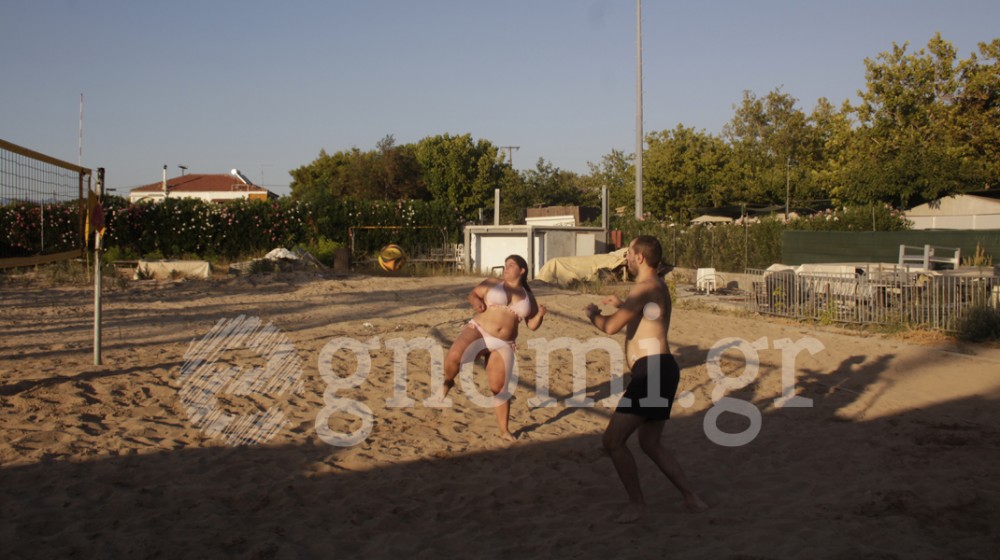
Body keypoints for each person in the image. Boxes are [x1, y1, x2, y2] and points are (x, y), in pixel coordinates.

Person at [583, 235, 708, 523]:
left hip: (652, 372)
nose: (625, 258)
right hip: (660, 370)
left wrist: (593, 314)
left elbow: (611, 327)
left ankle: (637, 505)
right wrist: (622, 303)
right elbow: (647, 316)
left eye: (628, 253)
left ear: (639, 257)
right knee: (651, 443)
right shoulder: (657, 285)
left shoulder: (645, 287)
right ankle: (692, 498)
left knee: (612, 441)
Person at [436, 255, 546, 442]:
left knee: (499, 387)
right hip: (479, 330)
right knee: (455, 356)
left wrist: (541, 314)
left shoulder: (528, 296)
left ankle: (504, 431)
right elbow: (473, 294)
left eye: (511, 265)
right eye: (505, 265)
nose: (506, 268)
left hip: (504, 343)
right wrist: (475, 302)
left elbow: (532, 325)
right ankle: (448, 382)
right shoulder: (493, 282)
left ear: (522, 270)